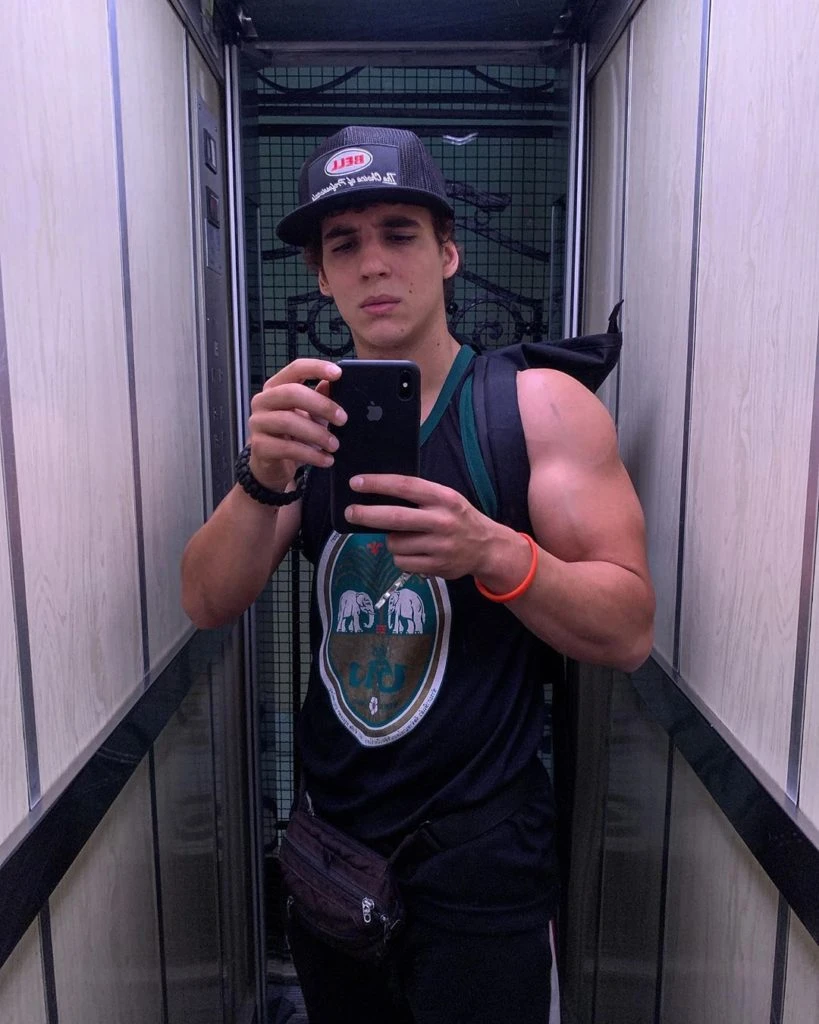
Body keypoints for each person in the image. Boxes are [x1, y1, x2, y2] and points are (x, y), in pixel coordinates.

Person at [181, 125, 655, 1023]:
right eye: (344, 244)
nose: (372, 264)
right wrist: (261, 474)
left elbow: (628, 629)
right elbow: (206, 601)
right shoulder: (309, 423)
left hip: (482, 853)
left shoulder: (537, 408)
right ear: (320, 276)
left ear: (447, 253)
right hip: (334, 846)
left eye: (399, 233)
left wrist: (495, 553)